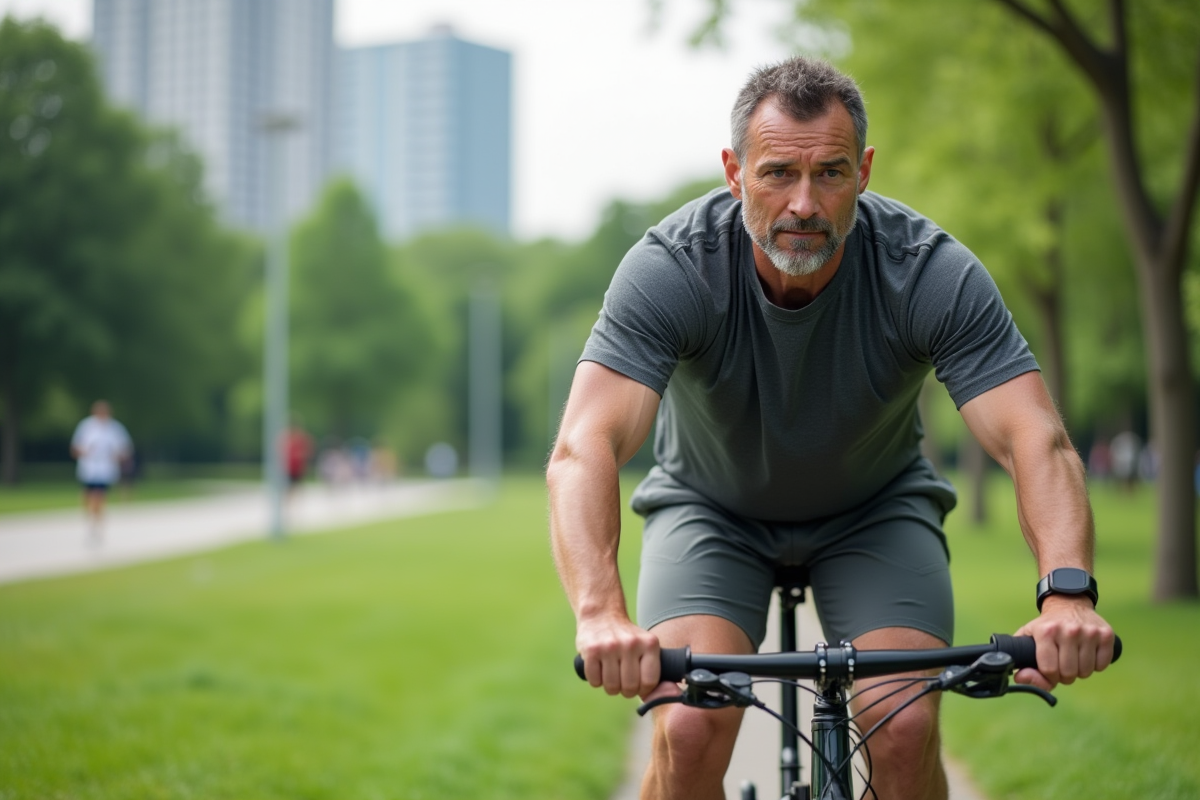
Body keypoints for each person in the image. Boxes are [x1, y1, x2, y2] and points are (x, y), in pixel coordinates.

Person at [548, 56, 1115, 800]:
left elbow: (1034, 437)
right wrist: (599, 614)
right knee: (687, 727)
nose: (804, 204)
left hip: (874, 512)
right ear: (734, 171)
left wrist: (1066, 595)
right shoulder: (673, 268)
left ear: (866, 171)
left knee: (904, 723)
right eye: (778, 172)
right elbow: (584, 444)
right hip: (711, 510)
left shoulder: (928, 271)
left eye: (832, 174)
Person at [70, 400, 133, 546]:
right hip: (88, 469)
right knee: (88, 498)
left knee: (98, 497)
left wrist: (117, 456)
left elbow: (125, 449)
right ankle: (92, 521)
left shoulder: (115, 429)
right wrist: (85, 452)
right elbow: (75, 448)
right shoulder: (86, 427)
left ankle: (96, 527)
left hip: (105, 470)